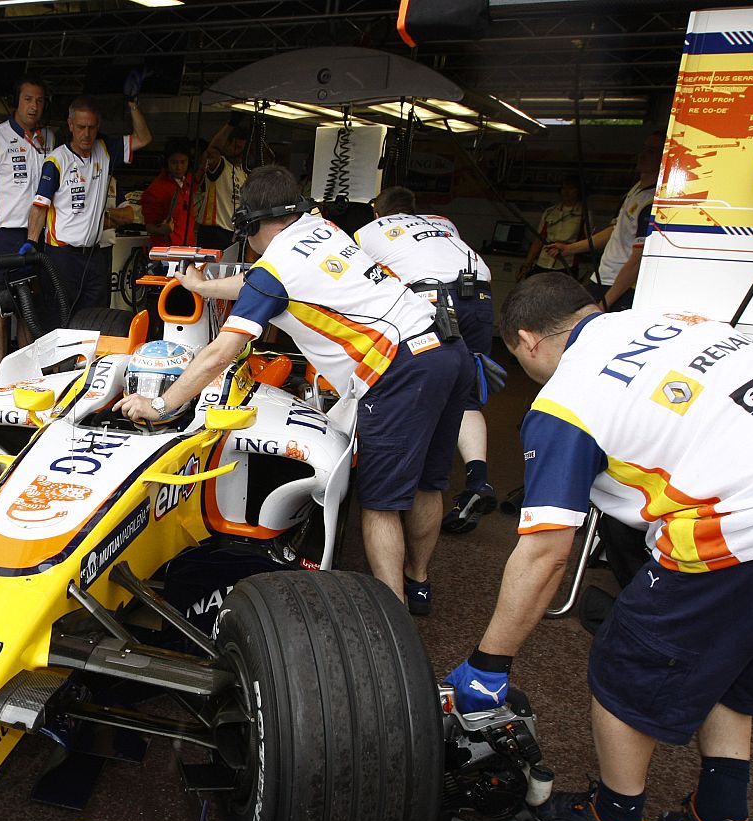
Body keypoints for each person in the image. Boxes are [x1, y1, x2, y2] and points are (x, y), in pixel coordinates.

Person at [446, 273, 753, 821]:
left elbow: (547, 553)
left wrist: (490, 664)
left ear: (526, 341)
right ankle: (720, 820)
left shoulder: (568, 397)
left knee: (625, 660)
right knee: (733, 671)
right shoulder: (675, 320)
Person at [117, 165, 471, 608]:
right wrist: (203, 289)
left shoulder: (277, 267)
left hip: (398, 371)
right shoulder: (323, 228)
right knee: (427, 484)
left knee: (379, 504)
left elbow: (221, 352)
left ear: (255, 224)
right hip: (446, 348)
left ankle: (393, 617)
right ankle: (418, 581)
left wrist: (161, 404)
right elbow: (259, 279)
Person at [355, 186, 502, 544]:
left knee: (425, 376)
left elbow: (357, 279)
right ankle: (477, 478)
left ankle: (409, 467)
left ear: (379, 212)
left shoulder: (369, 231)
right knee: (466, 395)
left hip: (432, 297)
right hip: (479, 295)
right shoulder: (443, 222)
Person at [26, 91, 152, 311]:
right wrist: (31, 244)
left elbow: (144, 138)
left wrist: (133, 105)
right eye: (81, 127)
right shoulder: (56, 160)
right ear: (70, 125)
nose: (86, 134)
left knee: (96, 318)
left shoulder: (104, 149)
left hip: (94, 255)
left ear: (98, 125)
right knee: (61, 319)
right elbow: (39, 207)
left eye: (92, 127)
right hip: (61, 254)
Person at [0, 78, 54, 372]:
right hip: (1, 236)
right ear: (16, 101)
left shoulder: (48, 139)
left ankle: (26, 373)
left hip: (35, 235)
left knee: (27, 309)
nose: (34, 106)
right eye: (28, 99)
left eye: (40, 100)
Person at [547, 135, 661, 311]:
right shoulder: (636, 189)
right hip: (602, 277)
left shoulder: (651, 201)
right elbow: (614, 230)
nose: (643, 155)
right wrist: (570, 248)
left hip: (620, 287)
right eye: (644, 148)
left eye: (652, 151)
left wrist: (605, 304)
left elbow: (637, 262)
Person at [197, 118, 250, 252]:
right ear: (227, 144)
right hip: (213, 230)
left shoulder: (243, 173)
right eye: (236, 147)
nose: (239, 151)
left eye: (242, 148)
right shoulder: (220, 164)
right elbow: (211, 149)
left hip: (232, 233)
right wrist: (231, 124)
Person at [140, 141, 197, 248]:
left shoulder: (189, 182)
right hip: (166, 250)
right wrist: (161, 230)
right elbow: (149, 226)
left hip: (188, 248)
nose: (179, 167)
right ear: (166, 163)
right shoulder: (156, 189)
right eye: (174, 162)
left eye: (183, 162)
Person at [522, 181, 584, 278]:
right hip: (544, 261)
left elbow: (586, 241)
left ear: (578, 191)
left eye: (571, 188)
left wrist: (567, 248)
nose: (566, 192)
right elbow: (538, 240)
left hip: (567, 264)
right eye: (564, 188)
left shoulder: (584, 214)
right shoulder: (550, 212)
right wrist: (526, 265)